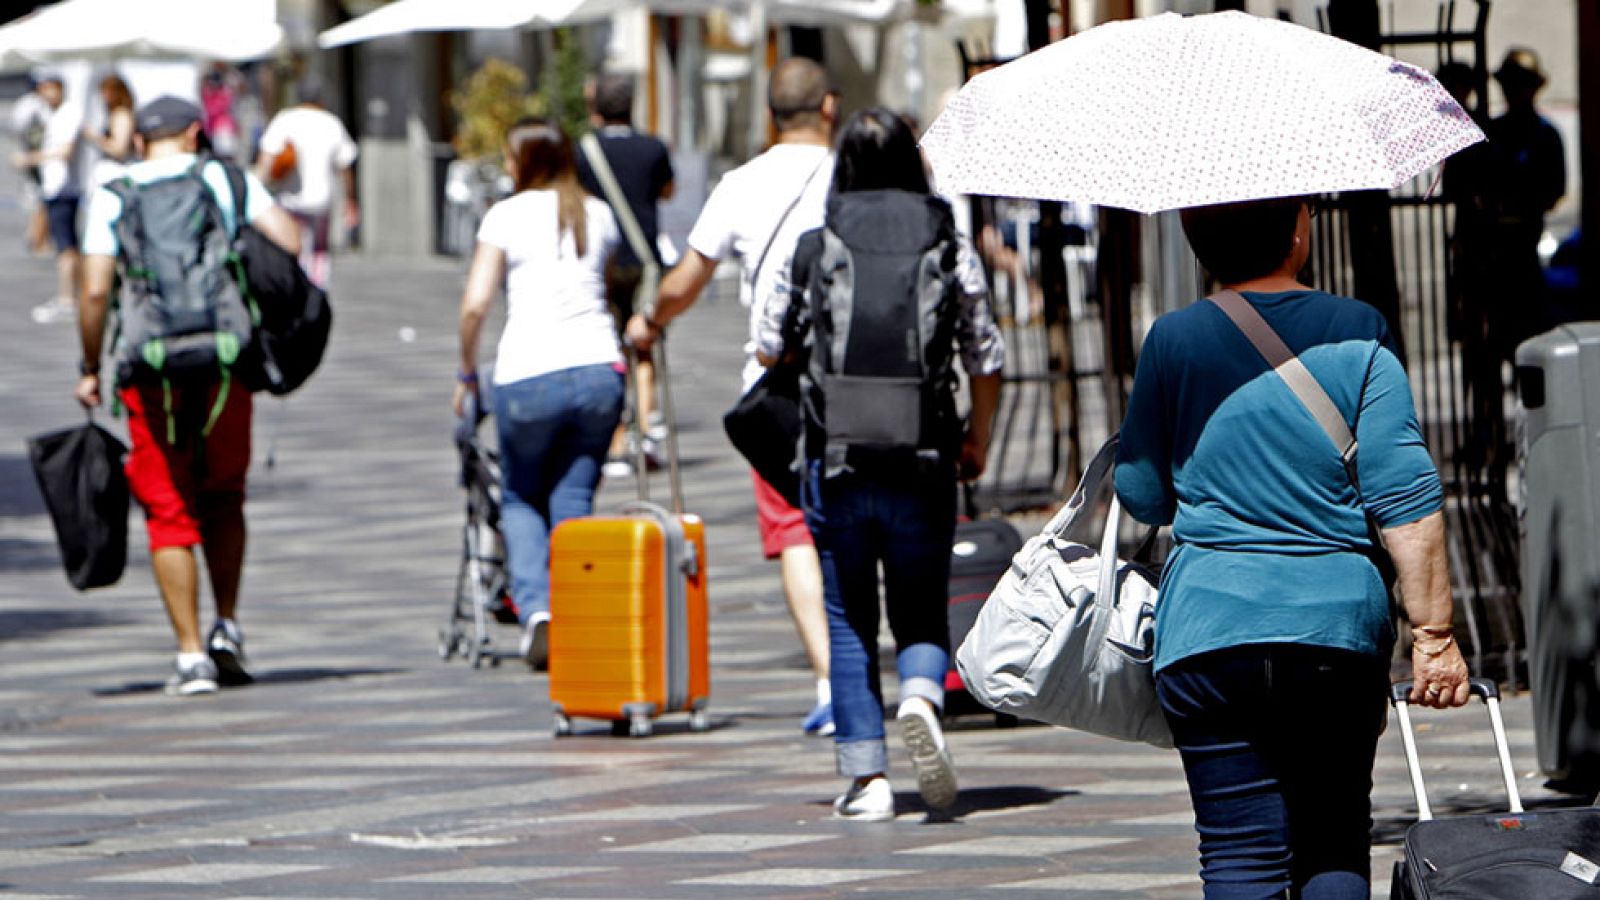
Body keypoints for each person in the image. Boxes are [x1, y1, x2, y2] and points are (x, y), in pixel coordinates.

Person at [1115, 196, 1472, 897]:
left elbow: (1143, 497)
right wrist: (1434, 635)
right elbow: (1406, 500)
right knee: (1334, 839)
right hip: (1332, 634)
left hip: (1209, 633)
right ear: (1299, 230)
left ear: (1194, 240)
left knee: (1237, 853)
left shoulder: (1172, 340)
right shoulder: (1357, 333)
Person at [758, 108, 1003, 820]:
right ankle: (923, 697)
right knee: (921, 604)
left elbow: (768, 342)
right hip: (923, 454)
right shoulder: (948, 242)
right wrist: (976, 437)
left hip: (835, 460)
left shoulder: (815, 243)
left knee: (847, 615)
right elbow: (986, 353)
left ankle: (867, 779)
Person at [627, 57, 837, 737]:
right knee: (860, 520)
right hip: (862, 381)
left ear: (771, 116)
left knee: (794, 531)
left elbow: (689, 276)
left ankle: (832, 678)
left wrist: (652, 319)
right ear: (829, 107)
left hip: (775, 386)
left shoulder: (741, 183)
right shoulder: (855, 174)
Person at [75, 96, 300, 695]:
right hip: (227, 360)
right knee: (225, 495)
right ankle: (228, 625)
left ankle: (191, 653)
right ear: (196, 132)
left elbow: (95, 291)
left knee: (168, 509)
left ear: (141, 141)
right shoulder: (227, 179)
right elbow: (290, 242)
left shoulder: (114, 193)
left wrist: (90, 364)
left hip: (151, 370)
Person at [454, 118, 624, 672]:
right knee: (573, 498)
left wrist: (465, 372)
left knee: (522, 496)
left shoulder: (506, 215)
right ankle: (574, 607)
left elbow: (476, 302)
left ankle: (537, 610)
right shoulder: (597, 214)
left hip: (528, 372)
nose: (505, 167)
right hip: (599, 370)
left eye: (509, 157)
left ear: (525, 163)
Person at [573, 73, 675, 478]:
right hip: (647, 259)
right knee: (645, 344)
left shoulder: (583, 151)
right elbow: (667, 191)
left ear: (596, 107)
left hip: (604, 260)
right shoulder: (652, 147)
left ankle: (616, 438)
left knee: (609, 349)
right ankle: (646, 430)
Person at [254, 75, 359, 288]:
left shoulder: (285, 119)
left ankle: (296, 289)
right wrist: (350, 198)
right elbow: (345, 165)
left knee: (293, 246)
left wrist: (257, 188)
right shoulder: (331, 123)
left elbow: (266, 159)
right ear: (321, 98)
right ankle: (316, 292)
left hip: (290, 199)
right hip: (321, 200)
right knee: (319, 251)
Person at [12, 73, 83, 324]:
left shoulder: (69, 112)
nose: (44, 92)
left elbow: (65, 151)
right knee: (64, 245)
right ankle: (70, 296)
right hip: (54, 186)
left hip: (65, 187)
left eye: (48, 87)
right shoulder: (48, 112)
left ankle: (68, 299)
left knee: (66, 247)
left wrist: (30, 159)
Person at [84, 75, 136, 188]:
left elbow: (119, 149)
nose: (103, 97)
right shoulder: (116, 114)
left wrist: (94, 137)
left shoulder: (121, 115)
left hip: (117, 173)